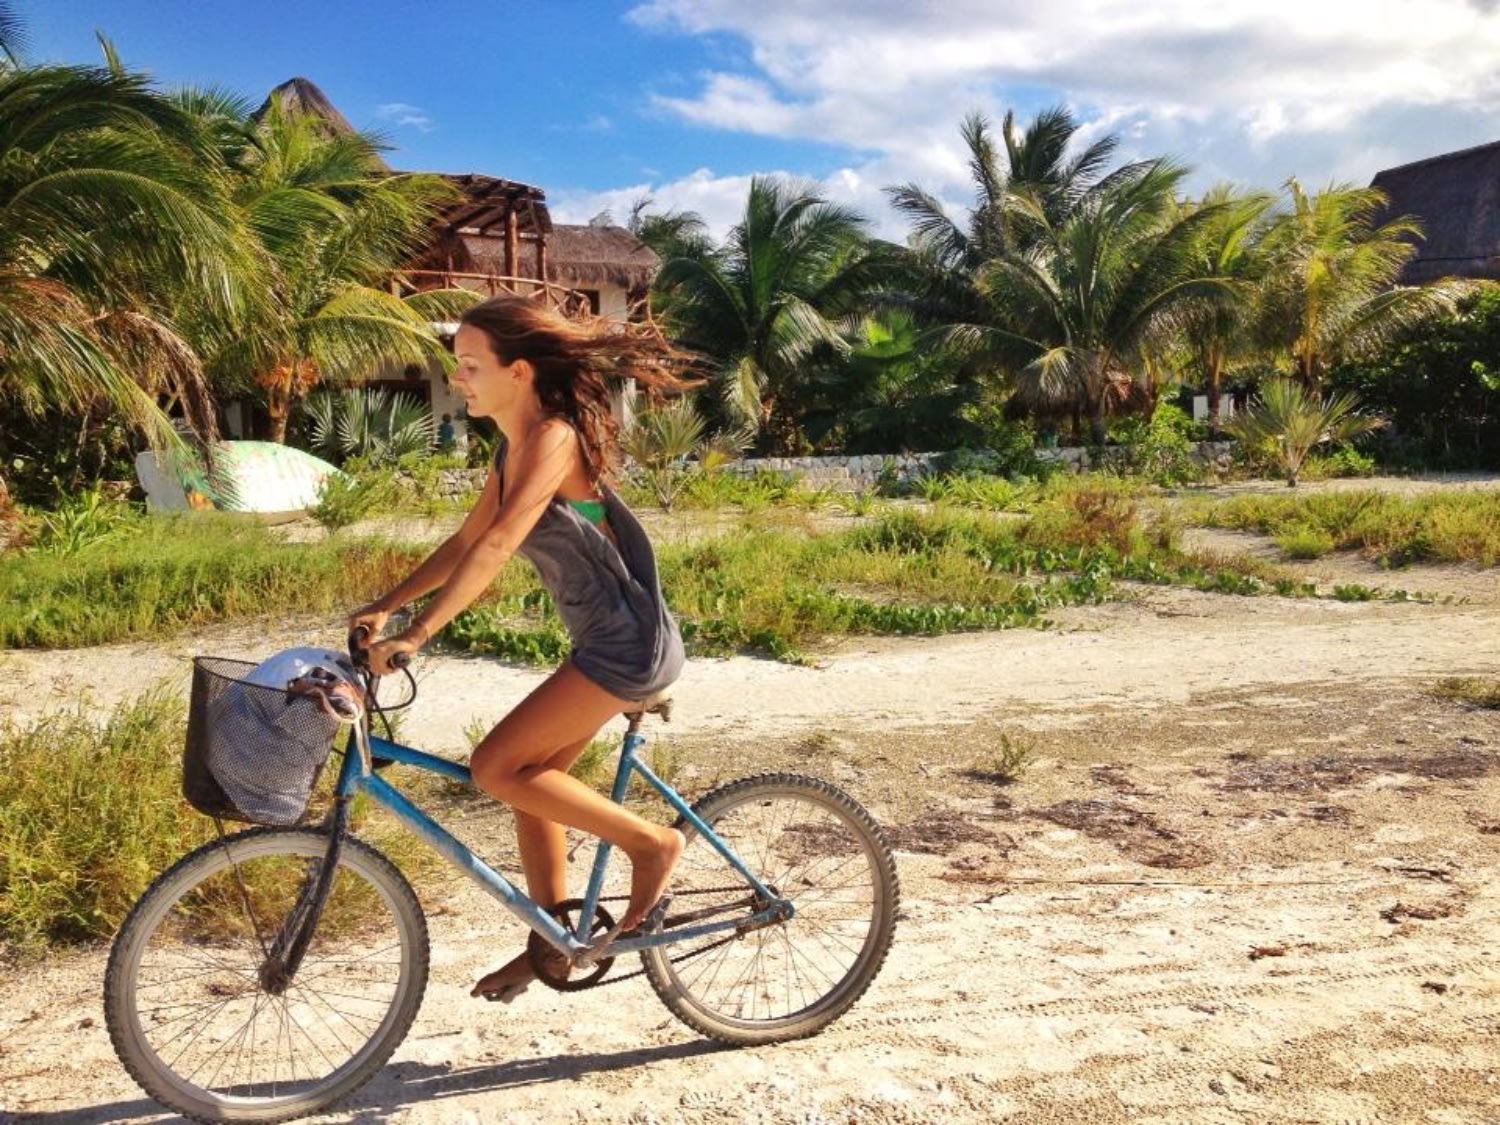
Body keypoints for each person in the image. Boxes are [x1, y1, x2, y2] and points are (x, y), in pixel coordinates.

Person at [350, 295, 689, 1002]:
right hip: (606, 642)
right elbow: (468, 539)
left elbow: (502, 543)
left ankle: (651, 844)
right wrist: (389, 604)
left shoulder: (555, 438)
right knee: (528, 786)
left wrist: (417, 634)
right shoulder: (515, 446)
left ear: (521, 370)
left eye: (472, 365)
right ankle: (554, 948)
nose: (461, 379)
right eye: (458, 366)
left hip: (628, 646)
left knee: (495, 766)